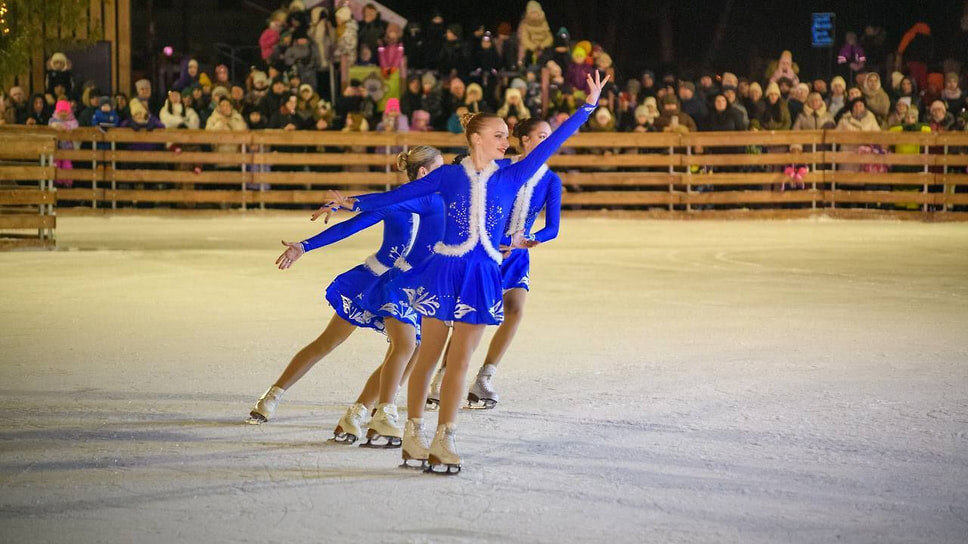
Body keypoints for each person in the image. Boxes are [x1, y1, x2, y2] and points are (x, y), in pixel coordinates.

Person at [322, 71, 609, 474]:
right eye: (499, 135)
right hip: (443, 269)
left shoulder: (515, 174)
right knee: (427, 356)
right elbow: (397, 196)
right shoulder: (448, 176)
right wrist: (350, 202)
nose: (507, 142)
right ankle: (414, 433)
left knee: (459, 362)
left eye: (508, 136)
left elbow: (556, 142)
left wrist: (588, 106)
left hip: (482, 274)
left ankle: (446, 437)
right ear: (476, 139)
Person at [247, 147, 445, 432]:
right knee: (330, 341)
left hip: (412, 287)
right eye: (440, 169)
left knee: (411, 347)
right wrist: (305, 246)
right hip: (376, 281)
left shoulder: (439, 201)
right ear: (425, 173)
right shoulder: (397, 202)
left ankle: (367, 409)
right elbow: (350, 227)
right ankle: (274, 394)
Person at [429, 117, 563, 410]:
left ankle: (485, 377)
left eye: (549, 136)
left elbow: (553, 227)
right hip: (484, 251)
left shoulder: (551, 180)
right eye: (541, 136)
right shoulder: (499, 168)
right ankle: (442, 377)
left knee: (514, 310)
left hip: (517, 254)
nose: (547, 142)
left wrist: (529, 238)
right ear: (525, 140)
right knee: (468, 317)